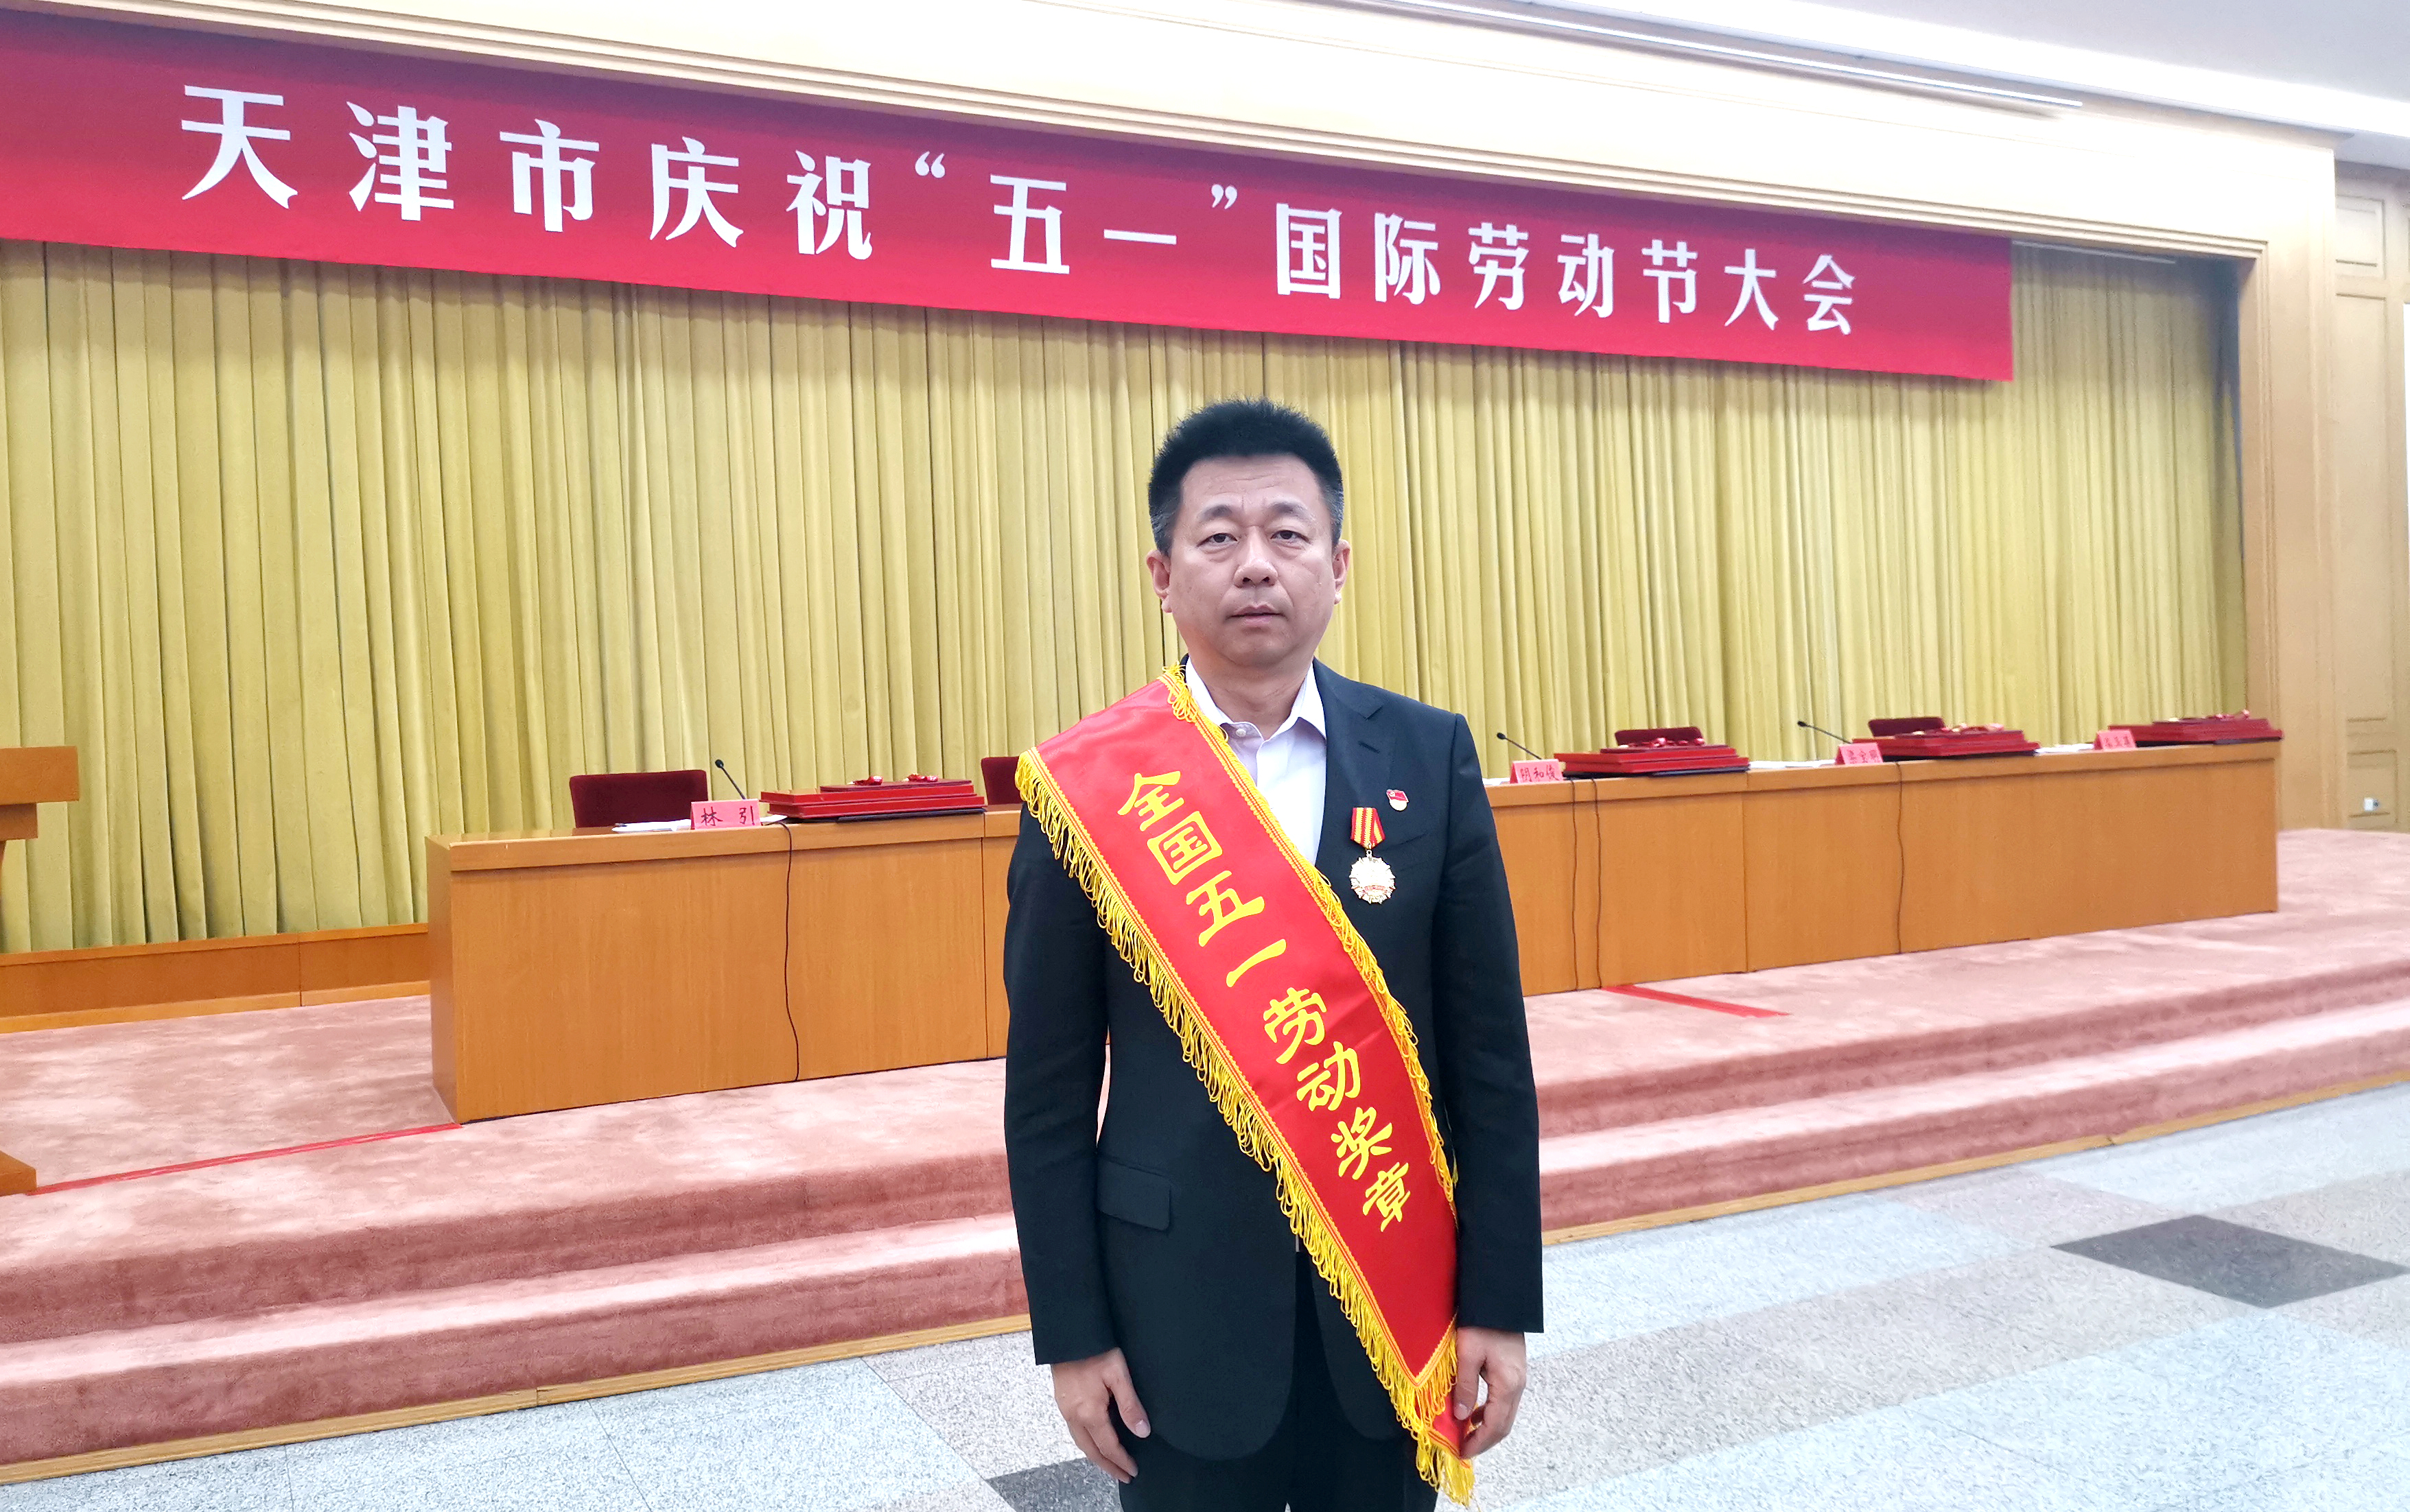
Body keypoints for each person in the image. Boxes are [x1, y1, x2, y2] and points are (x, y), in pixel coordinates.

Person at [1003, 398, 1541, 1511]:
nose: (1256, 563)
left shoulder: (1429, 754)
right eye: (1219, 536)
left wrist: (1498, 1303)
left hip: (1395, 1302)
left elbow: (1490, 1058)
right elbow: (1046, 1095)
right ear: (1163, 575)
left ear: (1337, 566)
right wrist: (1072, 1335)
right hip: (1171, 1322)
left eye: (1288, 533)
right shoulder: (1088, 790)